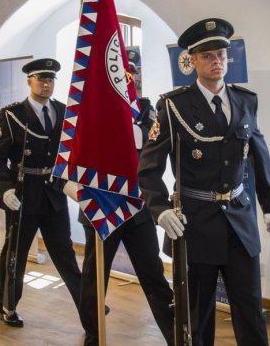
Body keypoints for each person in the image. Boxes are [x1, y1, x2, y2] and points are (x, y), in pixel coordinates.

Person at [138, 18, 270, 346]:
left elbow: (257, 155)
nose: (217, 61)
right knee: (197, 315)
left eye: (221, 55)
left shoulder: (246, 101)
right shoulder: (173, 107)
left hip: (240, 222)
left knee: (250, 309)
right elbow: (148, 169)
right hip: (195, 222)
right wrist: (159, 209)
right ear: (192, 62)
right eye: (207, 56)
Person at [79, 61, 174, 346]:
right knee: (95, 278)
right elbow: (73, 155)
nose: (129, 80)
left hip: (138, 207)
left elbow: (152, 147)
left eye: (133, 76)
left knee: (153, 274)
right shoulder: (91, 112)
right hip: (102, 206)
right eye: (121, 75)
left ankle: (175, 336)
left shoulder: (149, 114)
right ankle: (95, 335)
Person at [0, 58, 81, 328]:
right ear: (29, 81)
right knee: (15, 255)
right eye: (41, 79)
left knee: (65, 254)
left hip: (54, 192)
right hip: (22, 193)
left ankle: (87, 305)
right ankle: (8, 305)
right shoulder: (11, 115)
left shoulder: (63, 112)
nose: (46, 84)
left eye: (50, 79)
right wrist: (5, 190)